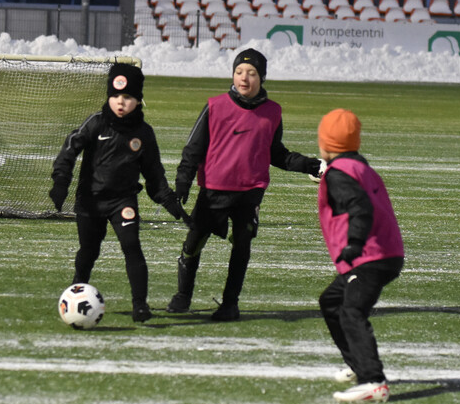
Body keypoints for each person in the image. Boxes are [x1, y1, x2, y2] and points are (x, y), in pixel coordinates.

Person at [167, 47, 322, 321]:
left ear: (262, 78)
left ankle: (230, 304)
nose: (244, 78)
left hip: (250, 193)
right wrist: (183, 183)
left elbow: (276, 154)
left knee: (242, 246)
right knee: (193, 244)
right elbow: (194, 148)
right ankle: (182, 297)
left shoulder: (273, 112)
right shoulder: (215, 106)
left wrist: (309, 165)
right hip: (214, 191)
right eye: (239, 72)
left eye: (251, 73)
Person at [50, 62, 190, 323]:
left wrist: (170, 202)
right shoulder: (96, 123)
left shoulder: (144, 134)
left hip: (123, 201)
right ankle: (75, 290)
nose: (120, 102)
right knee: (89, 251)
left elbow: (153, 174)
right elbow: (70, 148)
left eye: (127, 97)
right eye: (115, 96)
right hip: (90, 200)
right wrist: (60, 182)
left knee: (132, 246)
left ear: (138, 100)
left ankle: (140, 305)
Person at [315, 108, 405, 404]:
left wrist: (354, 244)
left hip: (369, 257)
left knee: (351, 312)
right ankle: (358, 364)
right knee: (331, 302)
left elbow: (360, 208)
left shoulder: (339, 174)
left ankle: (373, 380)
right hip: (385, 253)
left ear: (326, 144)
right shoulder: (360, 167)